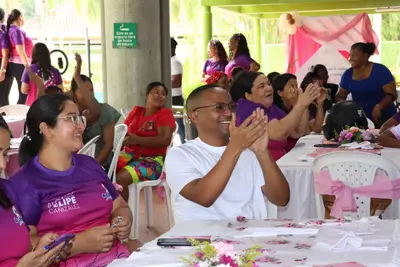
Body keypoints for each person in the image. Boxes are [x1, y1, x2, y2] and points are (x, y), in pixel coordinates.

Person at [10, 94, 132, 266]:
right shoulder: (27, 182)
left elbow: (120, 206)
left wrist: (122, 221)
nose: (81, 126)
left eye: (80, 118)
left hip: (119, 259)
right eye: (71, 119)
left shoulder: (90, 166)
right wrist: (78, 244)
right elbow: (22, 243)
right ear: (47, 129)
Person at [165, 84, 290, 222]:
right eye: (219, 107)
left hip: (248, 238)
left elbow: (281, 198)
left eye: (231, 107)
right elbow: (204, 197)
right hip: (203, 240)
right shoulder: (180, 154)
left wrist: (262, 152)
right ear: (195, 116)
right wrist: (235, 147)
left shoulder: (248, 152)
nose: (229, 113)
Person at [231, 71, 319, 160]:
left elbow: (298, 132)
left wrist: (302, 104)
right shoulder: (247, 108)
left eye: (269, 84)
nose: (269, 88)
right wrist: (300, 104)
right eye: (261, 86)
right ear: (248, 95)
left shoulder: (270, 107)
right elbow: (281, 132)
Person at [116, 82, 175, 202]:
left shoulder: (164, 114)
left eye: (163, 94)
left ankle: (123, 217)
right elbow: (123, 132)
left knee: (121, 178)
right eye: (156, 92)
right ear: (146, 95)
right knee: (103, 172)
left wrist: (137, 140)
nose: (160, 96)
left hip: (154, 161)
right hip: (129, 156)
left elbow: (165, 139)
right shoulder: (136, 112)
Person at [71, 54, 120, 170]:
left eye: (91, 90)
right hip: (75, 163)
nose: (90, 95)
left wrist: (94, 167)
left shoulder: (104, 110)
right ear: (74, 94)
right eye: (84, 91)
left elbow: (108, 145)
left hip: (102, 164)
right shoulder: (70, 113)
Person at [336, 42, 397, 128]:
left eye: (354, 55)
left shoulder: (380, 70)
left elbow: (392, 94)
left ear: (365, 55)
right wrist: (349, 107)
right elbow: (339, 96)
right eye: (350, 55)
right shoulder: (347, 74)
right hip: (361, 120)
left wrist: (379, 106)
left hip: (385, 119)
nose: (350, 59)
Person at [272, 73, 322, 151]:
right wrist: (299, 105)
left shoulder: (298, 103)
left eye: (296, 86)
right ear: (280, 93)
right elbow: (299, 133)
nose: (296, 90)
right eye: (292, 86)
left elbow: (307, 131)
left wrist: (302, 105)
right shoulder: (276, 110)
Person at [7, 9, 33, 104]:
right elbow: (21, 51)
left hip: (17, 64)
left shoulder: (12, 29)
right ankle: (21, 115)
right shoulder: (17, 31)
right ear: (20, 17)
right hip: (20, 65)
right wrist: (28, 67)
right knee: (24, 93)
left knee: (23, 93)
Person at [171, 37, 185, 144]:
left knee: (179, 125)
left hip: (175, 97)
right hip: (172, 96)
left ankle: (184, 143)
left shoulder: (175, 63)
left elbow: (177, 82)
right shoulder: (170, 61)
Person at [0, 8, 13, 107]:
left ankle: (4, 122)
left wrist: (2, 71)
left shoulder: (3, 33)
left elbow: (5, 54)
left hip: (4, 66)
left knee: (2, 98)